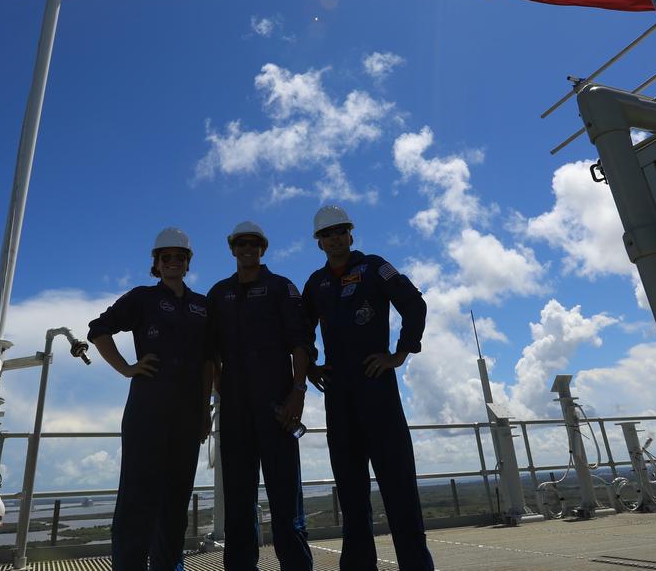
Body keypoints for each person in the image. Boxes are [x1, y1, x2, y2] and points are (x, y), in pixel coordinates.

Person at [302, 205, 434, 571]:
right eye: (327, 234)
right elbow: (300, 330)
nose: (335, 238)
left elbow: (413, 304)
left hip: (378, 390)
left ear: (350, 234)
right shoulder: (315, 283)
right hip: (339, 397)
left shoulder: (375, 267)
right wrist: (311, 363)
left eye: (341, 231)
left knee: (399, 486)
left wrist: (400, 354)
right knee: (350, 490)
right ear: (319, 242)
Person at [87, 227, 214, 571]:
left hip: (188, 416)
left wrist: (205, 412)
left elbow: (208, 363)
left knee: (176, 502)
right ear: (156, 264)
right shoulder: (142, 298)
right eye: (166, 257)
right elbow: (98, 330)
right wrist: (127, 368)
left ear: (189, 263)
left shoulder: (203, 306)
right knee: (137, 501)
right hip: (148, 413)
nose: (173, 261)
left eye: (180, 257)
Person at [207, 220, 314, 571]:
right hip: (235, 410)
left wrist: (298, 393)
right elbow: (210, 350)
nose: (247, 249)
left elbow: (300, 344)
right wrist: (218, 381)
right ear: (233, 249)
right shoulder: (218, 294)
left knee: (286, 500)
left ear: (262, 248)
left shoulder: (281, 288)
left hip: (277, 407)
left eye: (253, 244)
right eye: (241, 244)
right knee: (238, 503)